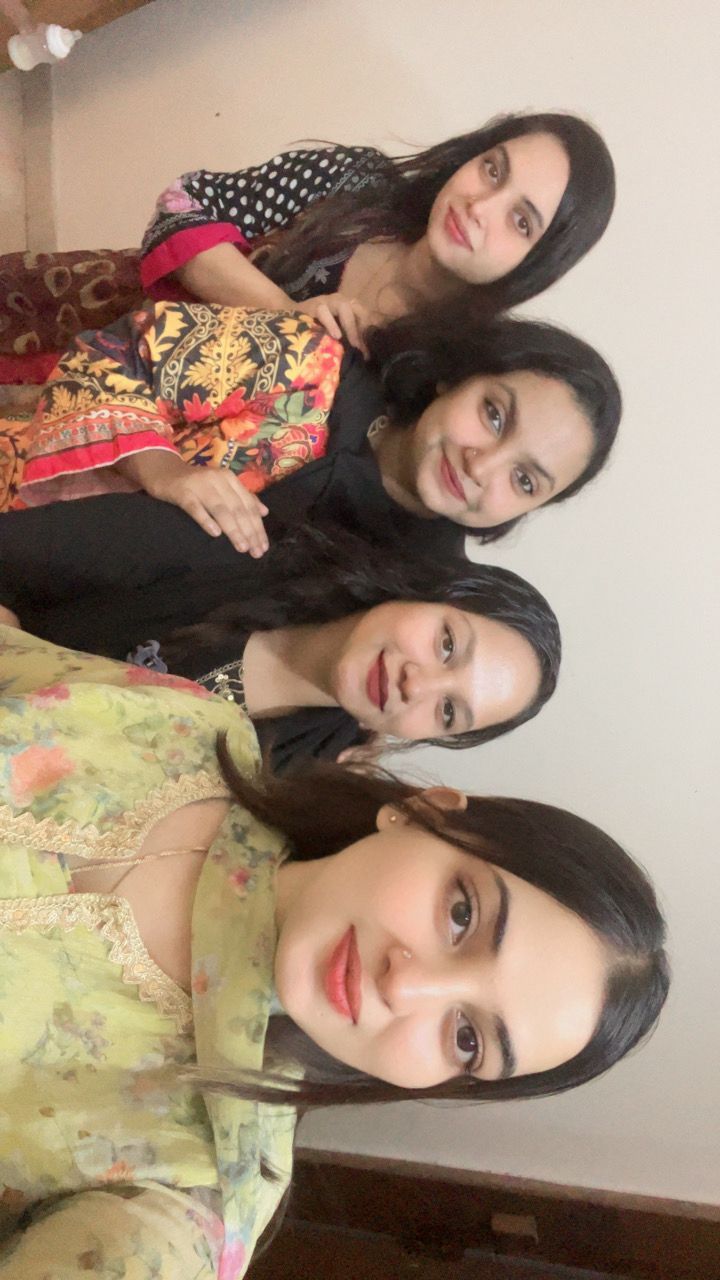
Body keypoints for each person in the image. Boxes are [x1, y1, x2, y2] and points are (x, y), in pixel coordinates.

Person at [0, 626, 669, 1278]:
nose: (405, 988)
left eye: (467, 1039)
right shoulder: (189, 725)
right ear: (425, 812)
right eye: (462, 914)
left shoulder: (199, 1178)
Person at [4, 301, 621, 554]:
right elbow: (113, 353)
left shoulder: (422, 596)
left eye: (525, 479)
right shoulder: (311, 361)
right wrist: (163, 471)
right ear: (455, 378)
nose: (481, 466)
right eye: (494, 415)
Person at [0, 522, 561, 772]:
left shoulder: (298, 782)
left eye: (448, 712)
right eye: (447, 644)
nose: (418, 684)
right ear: (428, 590)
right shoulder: (236, 547)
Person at [140, 112, 615, 334]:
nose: (480, 206)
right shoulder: (355, 180)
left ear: (536, 265)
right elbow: (183, 203)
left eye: (521, 221)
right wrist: (284, 312)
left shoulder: (455, 375)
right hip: (124, 370)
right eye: (493, 169)